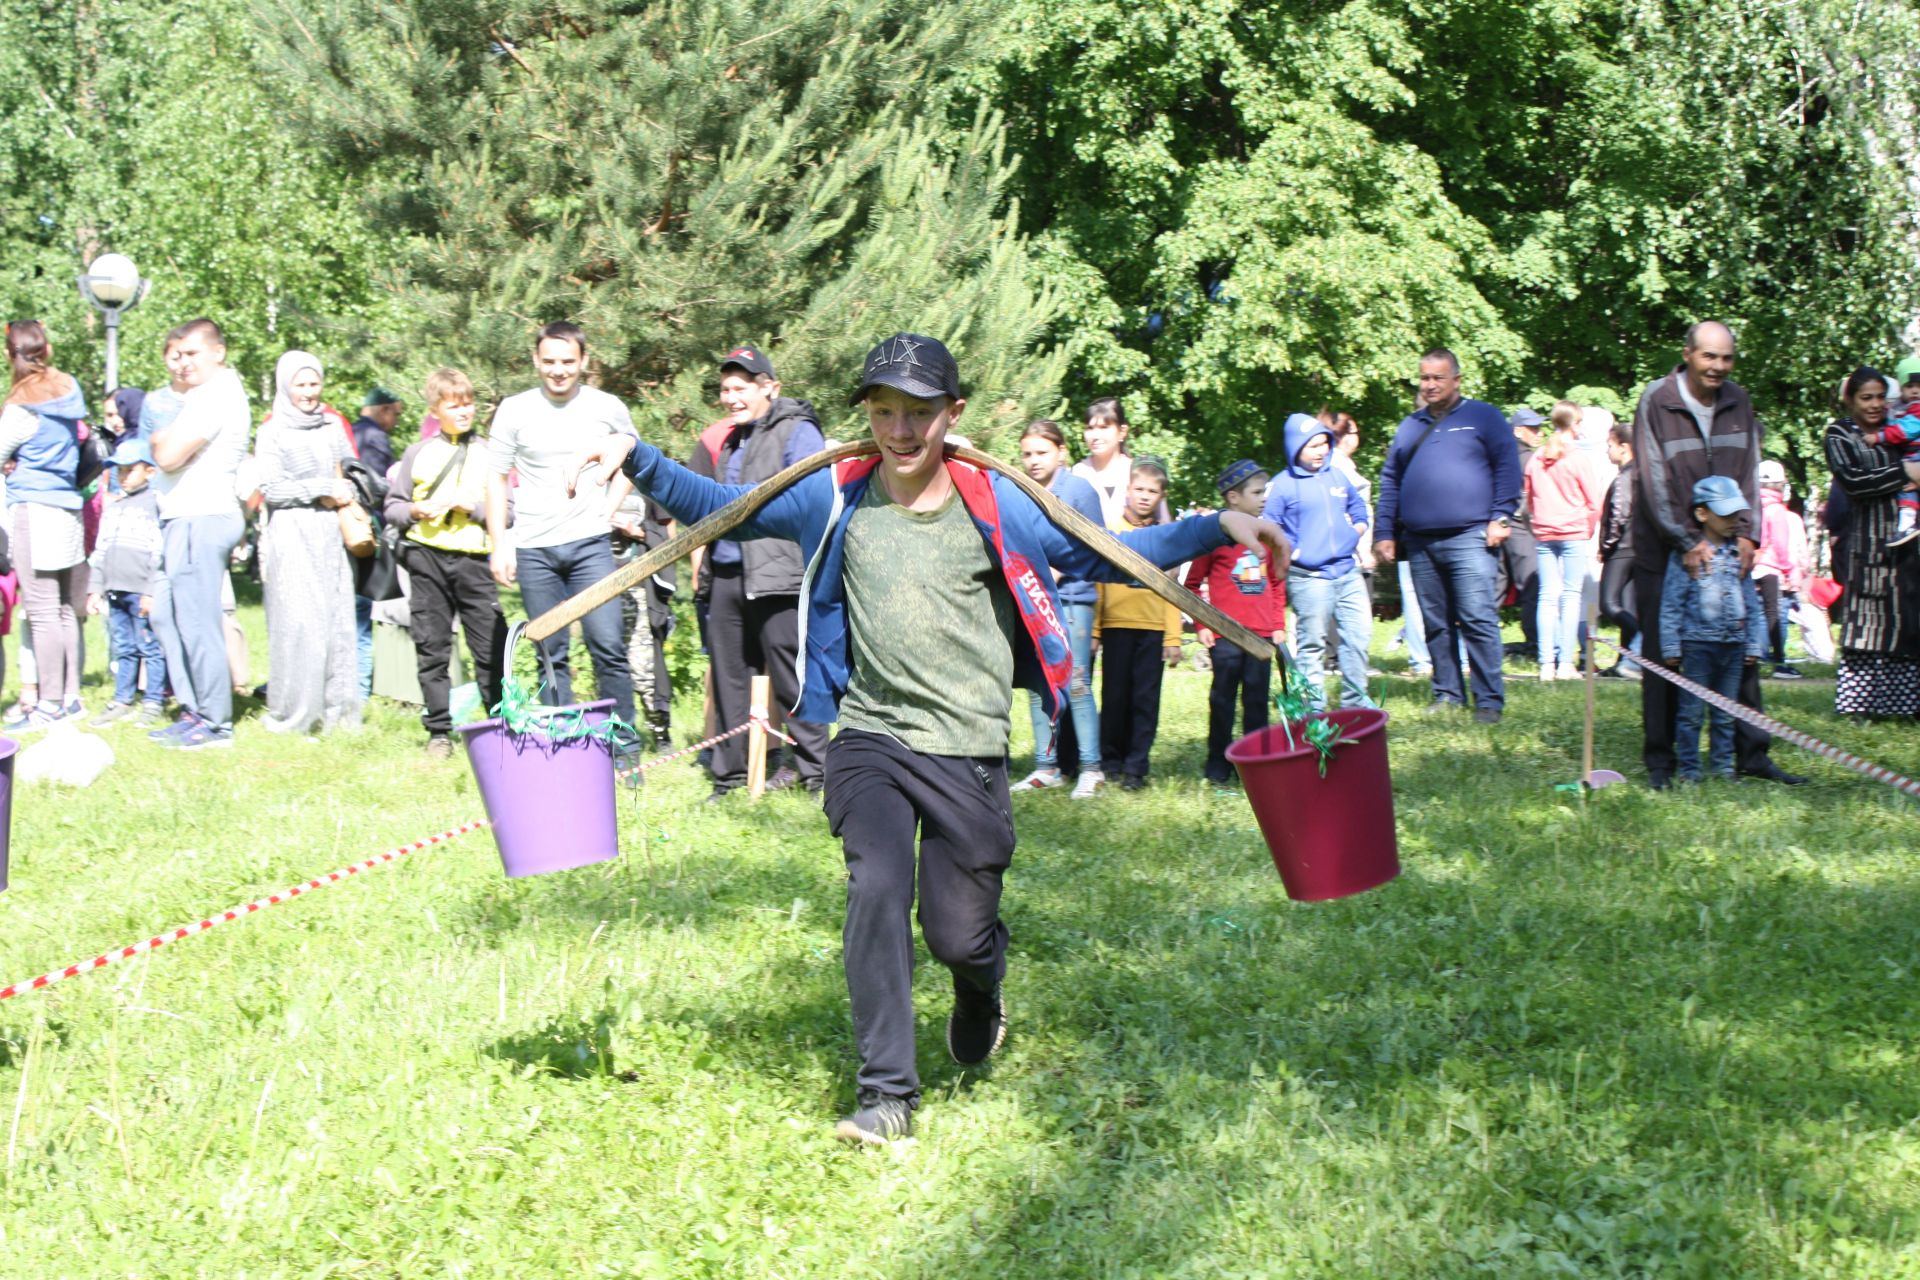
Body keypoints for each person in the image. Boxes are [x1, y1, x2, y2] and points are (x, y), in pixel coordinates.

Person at [570, 332, 1289, 1143]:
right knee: (876, 886)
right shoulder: (836, 494)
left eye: (919, 414)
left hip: (967, 748)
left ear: (953, 414)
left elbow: (1115, 554)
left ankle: (983, 985)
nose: (901, 432)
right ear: (867, 413)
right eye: (884, 413)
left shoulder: (998, 501)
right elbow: (723, 509)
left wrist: (1219, 528)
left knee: (959, 933)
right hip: (871, 737)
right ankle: (886, 1096)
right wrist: (635, 455)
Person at [1629, 320, 1802, 786]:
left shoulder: (1738, 401)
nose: (1718, 367)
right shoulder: (1656, 400)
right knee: (1667, 656)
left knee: (1740, 651)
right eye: (1710, 357)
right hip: (1664, 550)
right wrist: (1688, 541)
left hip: (1730, 548)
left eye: (1727, 358)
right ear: (1687, 353)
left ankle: (1751, 753)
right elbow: (1652, 479)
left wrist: (1749, 535)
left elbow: (1749, 472)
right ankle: (1664, 763)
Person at [485, 321, 637, 738]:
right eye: (549, 361)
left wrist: (609, 509)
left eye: (568, 361)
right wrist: (501, 545)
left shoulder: (606, 407)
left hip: (591, 546)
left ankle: (623, 747)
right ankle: (562, 746)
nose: (558, 370)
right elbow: (496, 477)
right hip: (535, 548)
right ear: (536, 360)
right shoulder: (514, 410)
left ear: (584, 361)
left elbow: (635, 460)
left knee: (608, 647)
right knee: (550, 654)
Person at [699, 346, 829, 799]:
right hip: (729, 573)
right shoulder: (731, 440)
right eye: (725, 390)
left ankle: (817, 776)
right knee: (729, 679)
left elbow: (813, 498)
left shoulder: (799, 431)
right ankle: (729, 778)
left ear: (769, 388)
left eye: (741, 388)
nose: (731, 397)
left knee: (794, 680)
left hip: (780, 575)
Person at [1373, 349, 1521, 725]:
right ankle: (1448, 694)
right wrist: (1385, 532)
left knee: (1477, 618)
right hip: (1421, 541)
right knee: (1435, 623)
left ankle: (1488, 702)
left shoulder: (1483, 416)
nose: (1430, 385)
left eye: (1438, 378)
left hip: (1471, 535)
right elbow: (1390, 481)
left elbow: (1507, 467)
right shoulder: (1409, 426)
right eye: (1424, 378)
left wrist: (1501, 516)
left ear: (1456, 379)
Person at [384, 367, 507, 757]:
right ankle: (439, 731)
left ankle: (500, 725)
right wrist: (417, 510)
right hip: (426, 558)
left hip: (473, 561)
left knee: (490, 647)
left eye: (468, 403)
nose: (464, 411)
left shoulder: (489, 454)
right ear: (436, 409)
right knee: (432, 645)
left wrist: (470, 508)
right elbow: (392, 506)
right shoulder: (417, 454)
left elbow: (509, 512)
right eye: (455, 405)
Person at [146, 319, 251, 749]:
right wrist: (163, 445)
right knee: (168, 616)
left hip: (202, 516)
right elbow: (158, 447)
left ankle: (215, 724)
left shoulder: (219, 394)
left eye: (192, 354)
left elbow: (166, 454)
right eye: (179, 355)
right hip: (184, 517)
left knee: (198, 621)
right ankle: (194, 710)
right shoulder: (200, 396)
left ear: (218, 353)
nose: (182, 362)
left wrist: (164, 444)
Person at [255, 351, 362, 737]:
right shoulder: (271, 431)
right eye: (300, 385)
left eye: (313, 384)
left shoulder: (331, 426)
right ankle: (295, 713)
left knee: (337, 622)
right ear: (286, 386)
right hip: (292, 534)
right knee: (299, 623)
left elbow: (352, 471)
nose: (308, 393)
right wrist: (321, 489)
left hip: (330, 534)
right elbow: (270, 487)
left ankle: (339, 713)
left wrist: (349, 488)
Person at [0, 321, 91, 731]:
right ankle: (71, 696)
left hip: (33, 510)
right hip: (68, 508)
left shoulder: (21, 406)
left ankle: (48, 704)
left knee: (40, 610)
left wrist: (12, 462)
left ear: (9, 355)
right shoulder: (70, 391)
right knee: (63, 609)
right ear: (48, 349)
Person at [1013, 420, 1106, 798]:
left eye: (1042, 452)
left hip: (1074, 599)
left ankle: (1091, 767)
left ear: (1062, 451)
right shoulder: (1021, 489)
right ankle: (1046, 766)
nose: (1033, 461)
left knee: (1077, 682)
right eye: (1027, 454)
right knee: (1039, 684)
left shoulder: (1078, 490)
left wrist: (1056, 569)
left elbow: (1100, 544)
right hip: (1034, 599)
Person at [1824, 367, 1920, 717]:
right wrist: (1906, 474)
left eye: (1881, 396)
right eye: (1867, 397)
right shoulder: (1839, 434)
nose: (1876, 404)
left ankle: (1905, 706)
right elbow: (1854, 481)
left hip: (1907, 544)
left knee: (1907, 621)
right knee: (1865, 623)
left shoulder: (1898, 431)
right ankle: (1859, 704)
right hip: (1864, 545)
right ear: (1850, 400)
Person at [1658, 477, 1767, 781]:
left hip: (1733, 646)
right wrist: (1670, 645)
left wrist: (1754, 643)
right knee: (1691, 714)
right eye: (1726, 514)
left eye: (1737, 515)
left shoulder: (1739, 555)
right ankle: (1690, 771)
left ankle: (1723, 768)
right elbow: (1671, 602)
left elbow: (1751, 601)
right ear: (1702, 514)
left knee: (1726, 713)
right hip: (1697, 646)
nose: (1735, 521)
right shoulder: (1687, 556)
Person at [1264, 415, 1375, 712]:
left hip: (1348, 571)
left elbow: (1358, 507)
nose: (1320, 450)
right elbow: (1267, 529)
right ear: (1294, 447)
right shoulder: (1281, 486)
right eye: (1312, 445)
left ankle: (1356, 704)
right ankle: (1313, 709)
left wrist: (1356, 533)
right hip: (1309, 578)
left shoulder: (1338, 476)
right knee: (1312, 645)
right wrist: (1294, 552)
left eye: (1324, 442)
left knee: (1358, 636)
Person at [1188, 459, 1286, 782]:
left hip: (1261, 638)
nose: (1263, 499)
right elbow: (1191, 585)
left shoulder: (1268, 536)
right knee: (1223, 700)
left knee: (1257, 701)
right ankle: (1218, 764)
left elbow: (1275, 583)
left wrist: (1277, 625)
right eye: (1257, 492)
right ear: (1233, 497)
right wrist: (1203, 626)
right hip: (1226, 637)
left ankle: (1256, 766)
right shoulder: (1213, 538)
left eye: (1264, 492)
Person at [1094, 458, 1184, 790]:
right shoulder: (1112, 530)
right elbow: (1099, 581)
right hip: (1117, 626)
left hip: (1153, 629)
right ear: (1128, 491)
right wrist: (1094, 630)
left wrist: (1173, 637)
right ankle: (1110, 761)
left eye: (1152, 491)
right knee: (1115, 697)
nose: (1145, 496)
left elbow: (1174, 590)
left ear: (1161, 496)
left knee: (1145, 700)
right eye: (1139, 489)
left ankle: (1136, 768)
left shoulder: (1165, 538)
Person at [85, 440, 167, 728]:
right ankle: (122, 699)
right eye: (119, 471)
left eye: (130, 470)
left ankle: (154, 700)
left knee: (149, 646)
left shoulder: (155, 505)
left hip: (140, 591)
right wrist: (95, 588)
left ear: (150, 472)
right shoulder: (114, 508)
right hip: (115, 590)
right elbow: (101, 549)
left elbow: (158, 551)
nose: (123, 477)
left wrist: (150, 590)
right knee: (123, 646)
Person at [1524, 401, 1604, 679]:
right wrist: (1589, 529)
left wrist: (1537, 523)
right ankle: (1565, 664)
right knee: (1571, 596)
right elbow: (1594, 502)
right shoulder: (1578, 458)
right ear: (1575, 425)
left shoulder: (1537, 457)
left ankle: (1546, 664)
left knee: (1547, 597)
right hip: (1573, 532)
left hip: (1544, 533)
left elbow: (1529, 498)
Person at [350, 387, 402, 700]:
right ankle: (359, 691)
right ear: (383, 410)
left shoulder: (348, 430)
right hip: (363, 533)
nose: (395, 421)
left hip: (342, 530)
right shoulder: (374, 439)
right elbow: (376, 488)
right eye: (395, 413)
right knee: (361, 610)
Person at [1752, 460, 1808, 678]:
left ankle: (1755, 656)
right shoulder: (1777, 510)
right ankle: (1779, 663)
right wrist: (1787, 568)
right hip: (1771, 568)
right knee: (1775, 615)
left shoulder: (1754, 507)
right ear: (1780, 486)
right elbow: (1780, 542)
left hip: (1753, 566)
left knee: (1756, 613)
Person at [1498, 406, 1544, 659]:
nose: (1539, 433)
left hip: (1498, 526)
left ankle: (1472, 642)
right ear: (1518, 431)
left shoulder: (1501, 455)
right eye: (1533, 428)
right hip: (1521, 528)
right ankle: (1535, 645)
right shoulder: (1528, 459)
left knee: (1496, 586)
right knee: (1532, 587)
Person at [1596, 421, 1641, 678]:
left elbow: (1619, 514)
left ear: (1624, 447)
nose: (1607, 451)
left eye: (1610, 445)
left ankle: (1642, 643)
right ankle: (1626, 662)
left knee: (1609, 604)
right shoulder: (1644, 474)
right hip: (1638, 548)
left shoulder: (1625, 477)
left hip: (1622, 549)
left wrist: (1607, 544)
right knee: (1627, 605)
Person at [1072, 397, 1136, 526]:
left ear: (1122, 431)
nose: (1095, 436)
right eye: (1090, 428)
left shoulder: (1137, 472)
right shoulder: (1078, 473)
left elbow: (1163, 524)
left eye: (1104, 427)